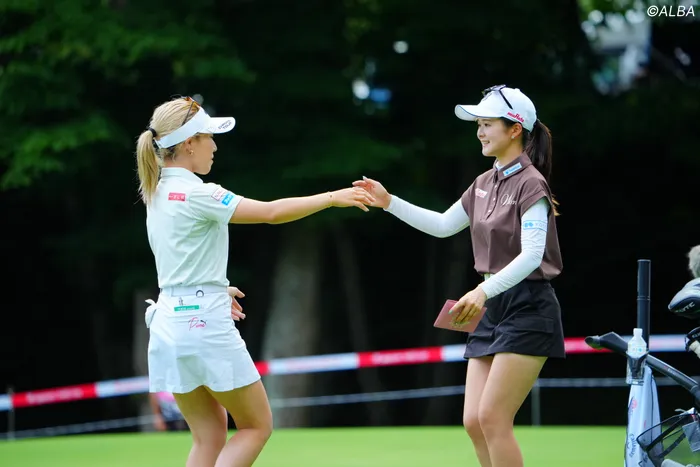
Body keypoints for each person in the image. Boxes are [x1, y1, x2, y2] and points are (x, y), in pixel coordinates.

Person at [135, 96, 374, 467]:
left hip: (169, 322)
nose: (215, 146)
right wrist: (330, 198)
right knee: (256, 426)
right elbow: (271, 212)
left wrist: (216, 288)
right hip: (203, 324)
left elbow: (182, 259)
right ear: (189, 143)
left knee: (209, 435)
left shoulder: (155, 191)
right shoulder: (201, 193)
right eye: (208, 137)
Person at [354, 85, 565, 467]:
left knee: (492, 418)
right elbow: (442, 225)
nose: (480, 132)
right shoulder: (483, 183)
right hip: (490, 306)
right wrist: (389, 202)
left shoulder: (531, 183)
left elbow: (532, 256)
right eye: (478, 125)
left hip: (528, 307)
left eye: (487, 124)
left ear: (514, 129)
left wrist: (482, 291)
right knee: (473, 422)